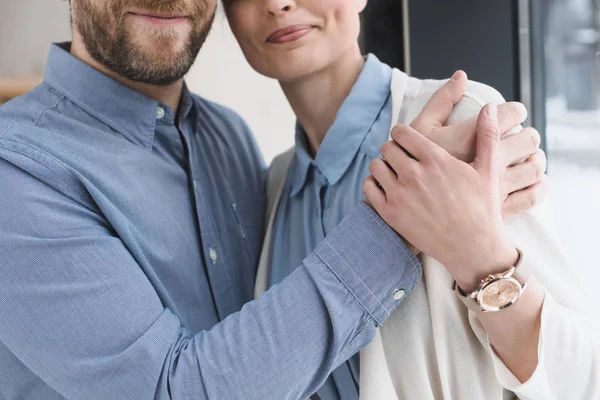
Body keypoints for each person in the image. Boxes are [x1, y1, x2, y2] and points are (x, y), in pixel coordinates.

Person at [223, 0, 600, 398]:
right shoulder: (275, 186)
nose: (277, 4)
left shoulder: (464, 122)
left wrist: (480, 257)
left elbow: (583, 379)